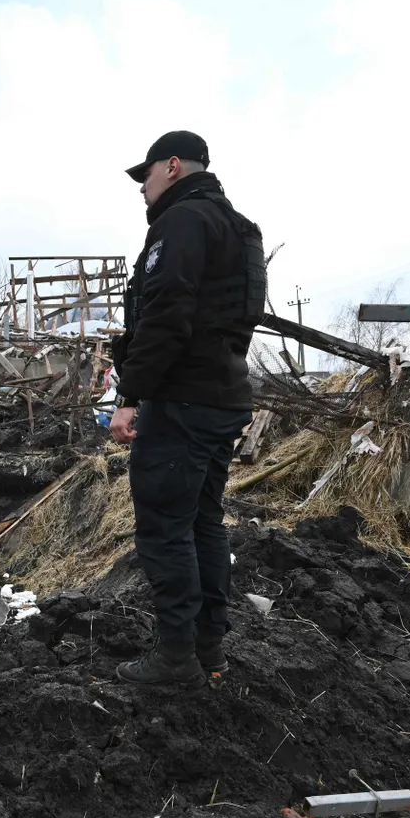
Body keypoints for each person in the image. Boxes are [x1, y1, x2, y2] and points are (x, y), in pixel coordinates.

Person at [108, 130, 267, 684]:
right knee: (203, 522)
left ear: (172, 166)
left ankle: (175, 658)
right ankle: (206, 651)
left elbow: (166, 318)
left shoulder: (181, 223)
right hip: (220, 398)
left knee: (165, 529)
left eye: (146, 175)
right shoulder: (241, 230)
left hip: (180, 402)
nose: (142, 188)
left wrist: (130, 396)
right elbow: (232, 321)